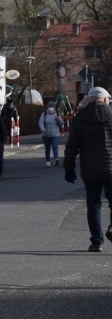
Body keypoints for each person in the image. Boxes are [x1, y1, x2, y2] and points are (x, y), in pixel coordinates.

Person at [64, 87, 112, 252]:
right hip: (111, 168)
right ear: (106, 100)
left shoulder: (79, 119)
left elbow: (72, 146)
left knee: (93, 204)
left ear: (89, 100)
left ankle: (96, 242)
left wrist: (68, 167)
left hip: (90, 169)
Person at [39, 101, 64, 167]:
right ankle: (48, 161)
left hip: (55, 134)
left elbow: (61, 124)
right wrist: (43, 129)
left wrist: (58, 120)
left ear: (54, 108)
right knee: (47, 148)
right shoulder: (44, 114)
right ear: (47, 108)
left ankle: (56, 159)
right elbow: (40, 122)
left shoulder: (57, 114)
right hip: (46, 134)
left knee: (55, 146)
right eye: (49, 107)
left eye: (52, 107)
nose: (51, 108)